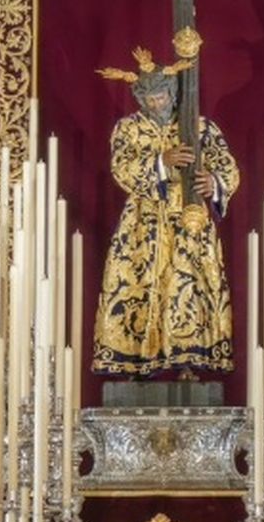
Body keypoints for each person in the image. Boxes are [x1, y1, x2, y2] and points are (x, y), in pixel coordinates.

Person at [92, 45, 239, 377]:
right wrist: (161, 162)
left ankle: (188, 360)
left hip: (188, 217)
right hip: (143, 222)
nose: (155, 103)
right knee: (139, 285)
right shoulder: (128, 129)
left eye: (160, 96)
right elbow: (121, 167)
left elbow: (226, 166)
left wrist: (212, 182)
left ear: (172, 93)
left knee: (190, 285)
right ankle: (137, 360)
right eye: (149, 99)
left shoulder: (200, 127)